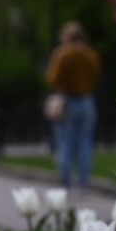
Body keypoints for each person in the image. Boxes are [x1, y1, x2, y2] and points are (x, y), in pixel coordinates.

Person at [45, 21, 101, 190]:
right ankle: (83, 183)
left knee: (66, 143)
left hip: (68, 102)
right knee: (85, 144)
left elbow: (52, 78)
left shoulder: (63, 55)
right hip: (86, 101)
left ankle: (66, 183)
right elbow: (96, 75)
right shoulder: (90, 55)